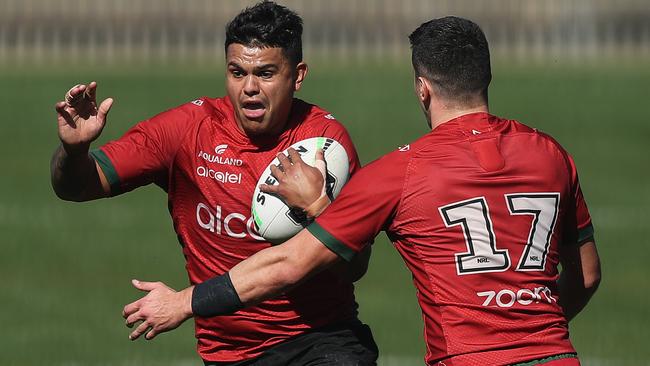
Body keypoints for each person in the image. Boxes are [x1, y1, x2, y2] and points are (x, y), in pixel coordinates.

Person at [122, 16, 603, 365]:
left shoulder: (400, 171)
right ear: (487, 78)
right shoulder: (551, 154)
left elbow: (290, 264)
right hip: (557, 356)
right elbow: (586, 276)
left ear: (422, 89)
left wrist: (184, 302)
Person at [51, 1, 377, 365]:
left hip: (321, 340)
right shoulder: (188, 130)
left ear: (297, 75)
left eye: (266, 73)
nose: (249, 88)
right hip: (228, 353)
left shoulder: (324, 146)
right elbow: (75, 187)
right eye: (237, 73)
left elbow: (356, 265)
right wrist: (74, 152)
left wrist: (317, 208)